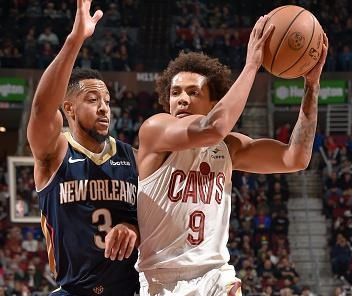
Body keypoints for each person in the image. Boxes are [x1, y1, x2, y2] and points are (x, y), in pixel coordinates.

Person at [136, 14, 328, 295]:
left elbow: (295, 158)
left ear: (215, 102)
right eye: (175, 92)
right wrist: (252, 64)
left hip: (216, 276)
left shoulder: (228, 146)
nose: (182, 99)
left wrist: (311, 87)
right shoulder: (155, 130)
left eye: (193, 92)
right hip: (161, 280)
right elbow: (213, 127)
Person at [27, 1, 139, 295]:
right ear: (69, 109)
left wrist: (134, 230)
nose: (104, 109)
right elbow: (40, 109)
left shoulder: (133, 157)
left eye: (107, 101)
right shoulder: (54, 152)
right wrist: (75, 40)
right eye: (92, 100)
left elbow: (154, 223)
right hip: (72, 290)